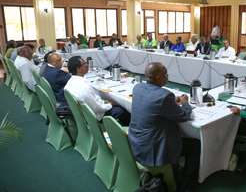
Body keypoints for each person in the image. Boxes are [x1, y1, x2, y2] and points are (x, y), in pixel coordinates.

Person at [129, 62, 199, 192]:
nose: (168, 76)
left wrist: (172, 104)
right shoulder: (164, 95)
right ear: (158, 78)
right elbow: (184, 116)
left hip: (136, 141)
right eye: (166, 74)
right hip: (152, 149)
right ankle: (185, 187)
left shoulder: (137, 87)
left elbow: (155, 106)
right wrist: (185, 104)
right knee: (195, 146)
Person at [64, 56, 131, 125]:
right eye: (85, 63)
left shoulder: (69, 83)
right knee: (124, 110)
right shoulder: (84, 88)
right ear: (79, 69)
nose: (87, 64)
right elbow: (97, 108)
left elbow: (92, 101)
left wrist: (102, 102)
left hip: (82, 114)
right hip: (95, 116)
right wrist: (109, 105)